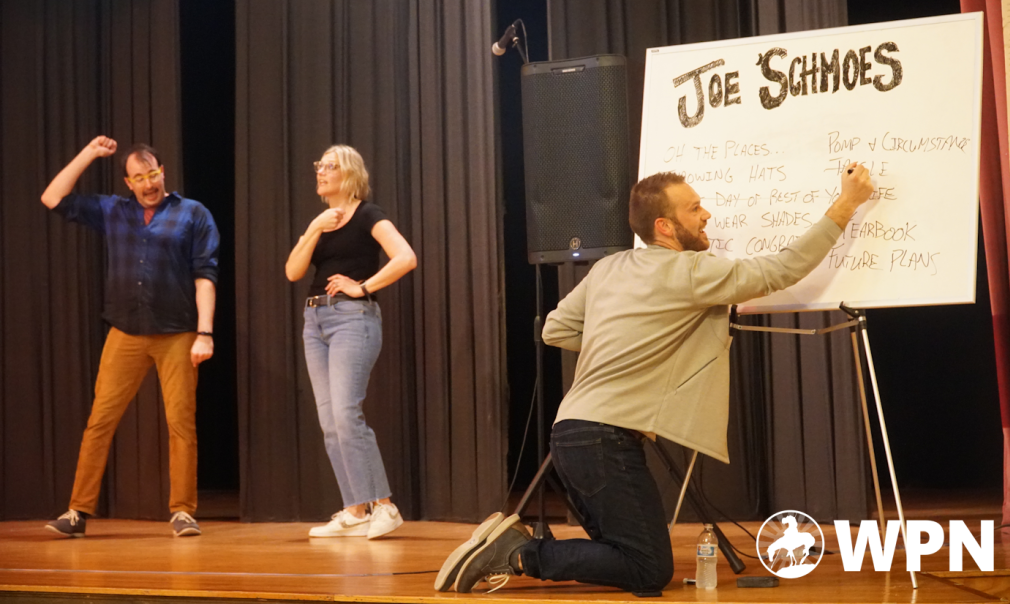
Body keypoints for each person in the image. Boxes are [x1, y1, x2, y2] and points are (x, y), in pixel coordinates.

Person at [441, 163, 875, 593]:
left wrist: (623, 342)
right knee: (648, 569)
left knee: (625, 553)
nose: (706, 215)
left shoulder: (609, 268)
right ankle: (518, 553)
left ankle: (516, 551)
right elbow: (781, 269)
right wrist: (846, 204)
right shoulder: (689, 272)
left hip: (570, 434)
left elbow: (555, 328)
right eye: (694, 208)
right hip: (605, 441)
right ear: (664, 226)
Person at [41, 136, 220, 538]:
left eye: (152, 174)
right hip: (125, 332)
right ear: (128, 182)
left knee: (181, 424)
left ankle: (182, 511)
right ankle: (77, 511)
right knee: (100, 421)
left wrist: (205, 333)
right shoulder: (113, 210)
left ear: (162, 173)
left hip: (177, 333)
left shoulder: (192, 213)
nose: (148, 183)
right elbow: (52, 197)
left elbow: (205, 275)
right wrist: (89, 153)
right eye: (138, 178)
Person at [285, 144, 417, 540]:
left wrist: (363, 287)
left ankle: (385, 506)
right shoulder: (321, 223)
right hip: (315, 321)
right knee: (330, 424)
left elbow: (405, 257)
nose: (321, 171)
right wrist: (314, 227)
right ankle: (356, 510)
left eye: (330, 166)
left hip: (352, 320)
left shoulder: (368, 214)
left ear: (350, 174)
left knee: (345, 414)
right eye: (319, 165)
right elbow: (293, 271)